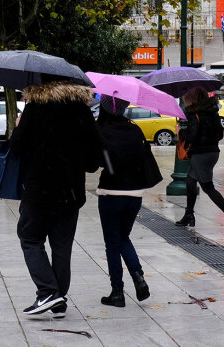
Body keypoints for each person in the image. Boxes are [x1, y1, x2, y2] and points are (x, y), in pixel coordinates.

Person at [10, 80, 101, 317]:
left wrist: (19, 127)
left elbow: (16, 148)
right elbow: (93, 162)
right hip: (70, 193)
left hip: (39, 190)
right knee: (62, 247)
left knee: (29, 237)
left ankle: (48, 292)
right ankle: (58, 301)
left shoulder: (35, 107)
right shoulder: (82, 110)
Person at [96, 95, 151, 308]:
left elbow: (93, 164)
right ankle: (138, 276)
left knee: (112, 242)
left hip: (111, 192)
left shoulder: (102, 131)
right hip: (135, 193)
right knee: (123, 237)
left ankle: (117, 292)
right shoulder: (135, 129)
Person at [175, 86, 224, 230]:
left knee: (208, 187)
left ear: (191, 98)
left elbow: (192, 137)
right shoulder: (213, 112)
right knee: (190, 182)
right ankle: (189, 214)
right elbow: (219, 135)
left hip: (200, 155)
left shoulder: (195, 113)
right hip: (213, 152)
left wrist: (180, 132)